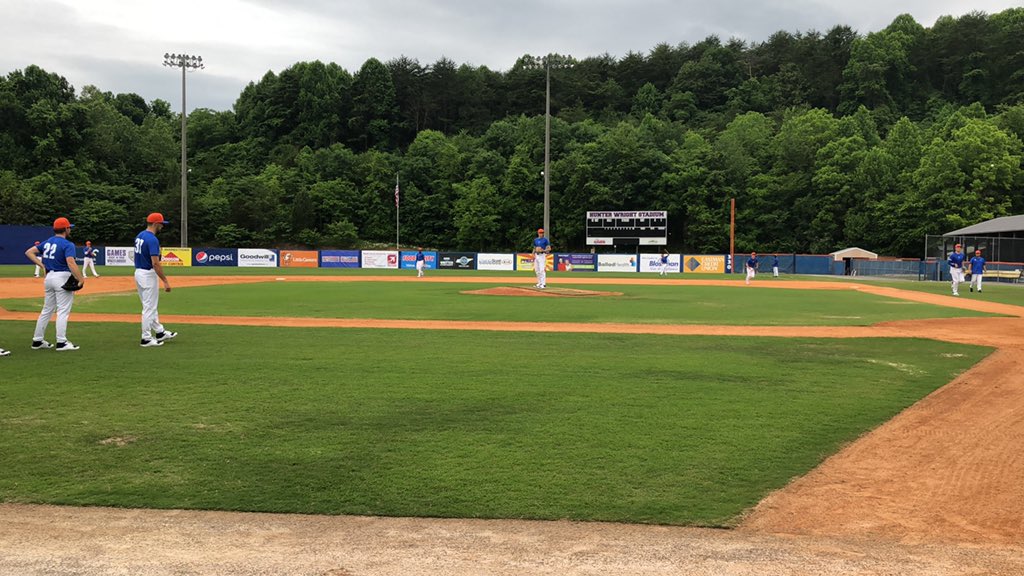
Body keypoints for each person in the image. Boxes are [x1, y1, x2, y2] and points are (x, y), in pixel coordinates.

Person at [25, 217, 85, 351]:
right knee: (63, 311)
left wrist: (42, 266)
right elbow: (70, 262)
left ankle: (37, 340)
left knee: (46, 310)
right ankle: (62, 342)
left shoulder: (47, 242)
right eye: (69, 227)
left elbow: (29, 252)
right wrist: (80, 279)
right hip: (62, 276)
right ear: (65, 229)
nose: (70, 229)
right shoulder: (68, 244)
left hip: (49, 277)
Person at [134, 213, 177, 347]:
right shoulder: (152, 239)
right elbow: (156, 263)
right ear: (155, 224)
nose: (162, 226)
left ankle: (159, 332)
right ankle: (146, 338)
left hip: (139, 272)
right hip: (147, 274)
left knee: (150, 306)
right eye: (161, 224)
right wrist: (165, 280)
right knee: (149, 307)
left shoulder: (140, 235)